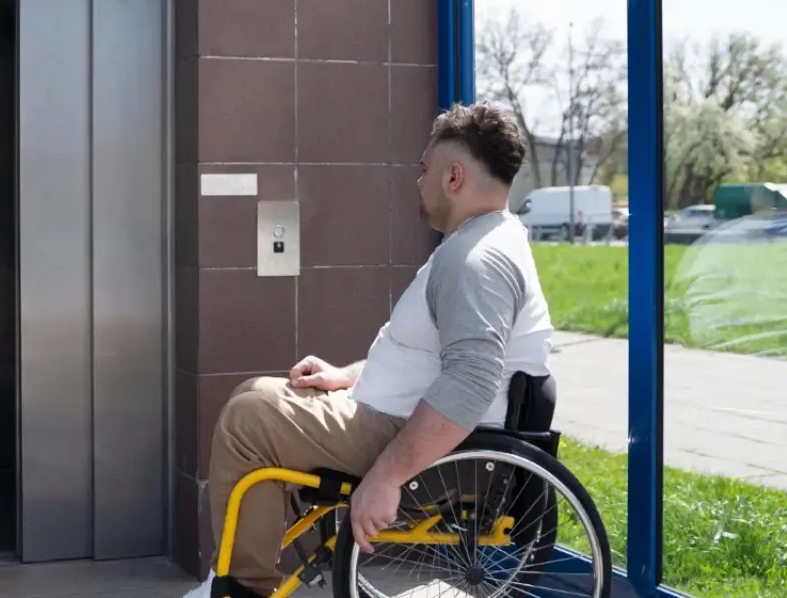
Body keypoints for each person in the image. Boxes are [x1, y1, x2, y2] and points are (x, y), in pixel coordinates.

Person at [184, 102, 555, 598]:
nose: (417, 181)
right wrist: (347, 375)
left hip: (418, 443)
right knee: (259, 394)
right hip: (396, 417)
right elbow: (428, 360)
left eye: (424, 170)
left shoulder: (475, 262)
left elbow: (470, 382)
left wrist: (386, 475)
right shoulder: (483, 245)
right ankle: (236, 576)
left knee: (249, 420)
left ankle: (239, 588)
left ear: (453, 177)